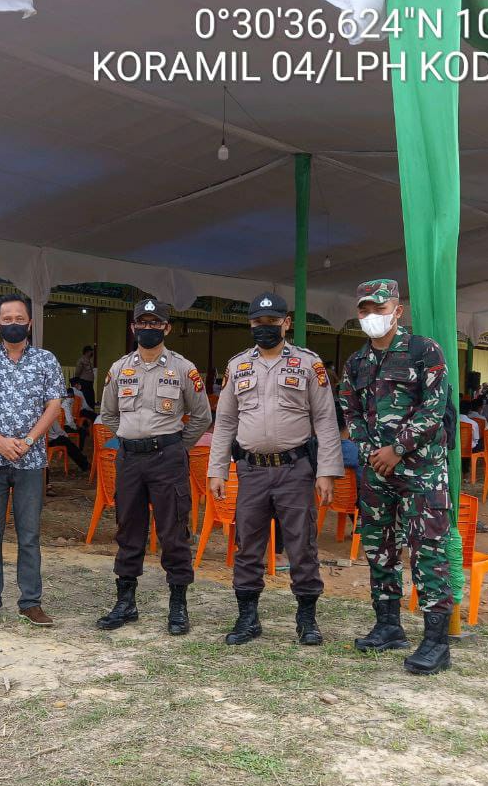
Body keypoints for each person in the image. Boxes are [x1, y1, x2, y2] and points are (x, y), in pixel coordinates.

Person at [208, 291, 342, 647]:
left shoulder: (308, 364)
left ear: (286, 323)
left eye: (271, 321)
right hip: (251, 470)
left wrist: (327, 469)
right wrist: (217, 469)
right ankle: (248, 617)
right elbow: (225, 422)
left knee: (302, 545)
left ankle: (306, 618)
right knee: (247, 543)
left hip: (295, 469)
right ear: (250, 323)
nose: (264, 328)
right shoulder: (237, 366)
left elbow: (326, 420)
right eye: (257, 322)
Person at [338, 280, 454, 675]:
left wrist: (397, 448)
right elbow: (350, 412)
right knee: (379, 547)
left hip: (421, 472)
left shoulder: (424, 351)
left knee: (429, 552)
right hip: (376, 472)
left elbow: (434, 408)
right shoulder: (356, 363)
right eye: (365, 310)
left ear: (398, 310)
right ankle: (388, 625)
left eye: (379, 308)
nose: (372, 316)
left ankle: (436, 642)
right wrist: (372, 451)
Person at [98, 298, 212, 635]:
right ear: (133, 327)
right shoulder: (119, 369)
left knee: (173, 531)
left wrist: (176, 446)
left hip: (168, 459)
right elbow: (107, 414)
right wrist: (131, 437)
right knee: (128, 530)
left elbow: (202, 415)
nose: (149, 329)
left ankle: (178, 605)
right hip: (130, 459)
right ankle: (125, 602)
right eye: (143, 323)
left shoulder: (182, 368)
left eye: (155, 323)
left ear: (167, 328)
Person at [0, 294, 65, 628]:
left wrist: (30, 440)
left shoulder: (47, 360)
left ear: (30, 323)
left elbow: (54, 405)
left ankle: (30, 602)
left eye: (20, 318)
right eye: (8, 319)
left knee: (29, 535)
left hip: (31, 462)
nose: (14, 324)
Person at [46, 389, 91, 475]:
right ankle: (84, 464)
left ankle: (83, 461)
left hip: (43, 441)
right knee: (68, 443)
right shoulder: (50, 411)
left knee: (68, 443)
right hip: (51, 440)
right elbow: (58, 430)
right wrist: (65, 435)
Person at [72, 345, 98, 410]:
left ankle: (90, 413)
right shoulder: (81, 360)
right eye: (91, 351)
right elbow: (77, 372)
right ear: (87, 352)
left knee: (91, 399)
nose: (92, 353)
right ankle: (86, 413)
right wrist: (77, 381)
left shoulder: (89, 361)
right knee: (86, 399)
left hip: (89, 384)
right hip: (84, 383)